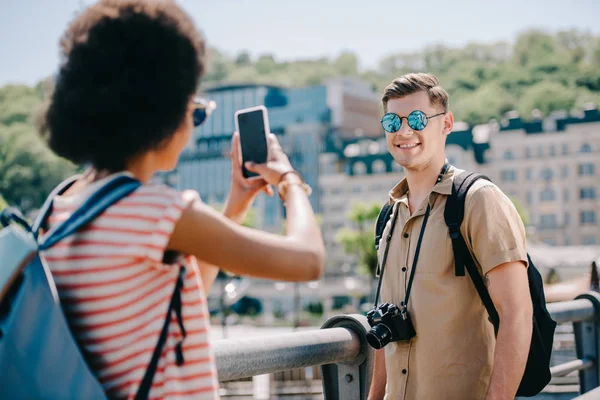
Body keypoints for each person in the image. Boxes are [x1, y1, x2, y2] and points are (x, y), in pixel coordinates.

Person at [37, 1, 324, 398]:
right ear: (164, 110)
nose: (192, 124)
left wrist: (236, 205)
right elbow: (308, 260)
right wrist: (289, 179)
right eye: (195, 111)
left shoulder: (59, 206)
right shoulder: (158, 211)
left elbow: (176, 295)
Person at [367, 73, 532, 400]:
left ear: (446, 124)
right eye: (392, 121)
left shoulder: (478, 200)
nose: (403, 131)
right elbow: (385, 322)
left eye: (416, 118)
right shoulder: (388, 216)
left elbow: (517, 313)